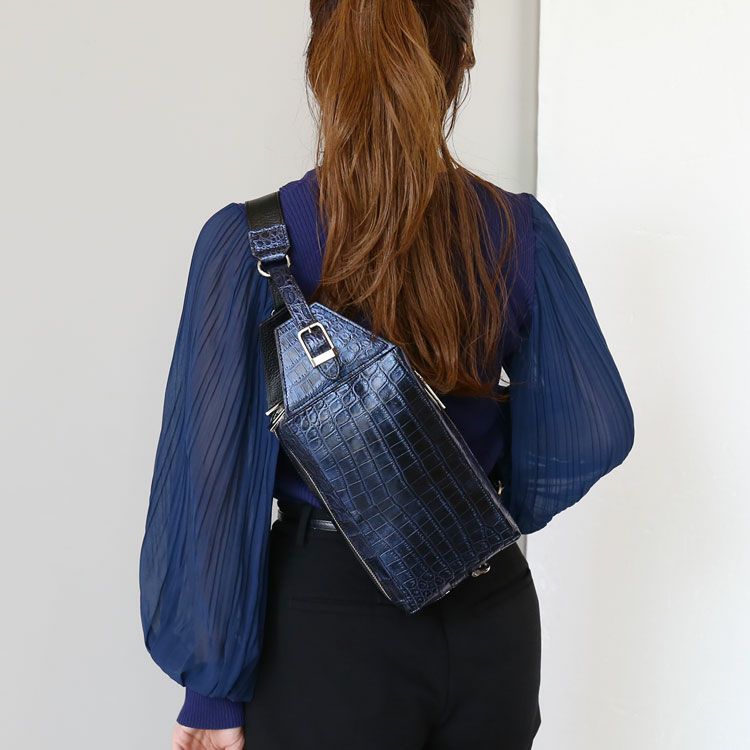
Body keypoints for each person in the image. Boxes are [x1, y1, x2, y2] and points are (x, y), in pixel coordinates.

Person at [139, 1, 635, 748]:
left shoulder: (246, 246)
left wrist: (211, 696)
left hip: (327, 632)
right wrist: (475, 505)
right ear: (460, 60)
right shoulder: (518, 230)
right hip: (490, 616)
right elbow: (593, 427)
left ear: (320, 61)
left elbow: (212, 481)